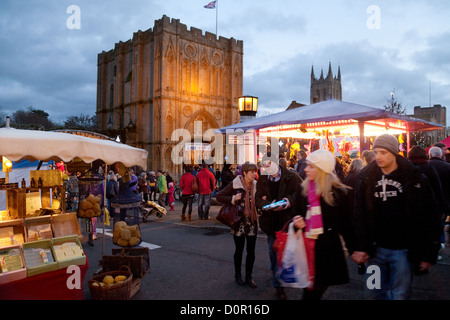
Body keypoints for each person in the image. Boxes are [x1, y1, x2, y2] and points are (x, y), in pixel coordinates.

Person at [352, 134, 442, 300]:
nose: (378, 157)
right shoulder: (366, 178)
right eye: (376, 152)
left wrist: (429, 251)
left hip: (403, 251)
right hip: (375, 252)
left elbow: (430, 215)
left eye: (384, 152)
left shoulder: (414, 178)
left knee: (400, 295)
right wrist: (360, 246)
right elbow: (359, 214)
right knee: (373, 294)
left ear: (394, 153)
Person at [292, 149, 355, 300]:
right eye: (306, 165)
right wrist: (296, 222)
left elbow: (346, 225)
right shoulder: (302, 189)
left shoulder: (339, 193)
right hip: (305, 250)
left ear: (322, 169)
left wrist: (355, 249)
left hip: (327, 253)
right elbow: (294, 216)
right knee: (309, 293)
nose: (305, 169)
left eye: (311, 166)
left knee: (314, 292)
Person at [255, 152, 302, 300]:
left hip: (286, 221)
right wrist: (268, 204)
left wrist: (287, 202)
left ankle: (279, 286)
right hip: (270, 222)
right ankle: (276, 271)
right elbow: (258, 198)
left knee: (282, 254)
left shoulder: (291, 176)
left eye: (269, 165)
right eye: (264, 166)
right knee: (272, 251)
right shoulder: (263, 179)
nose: (266, 168)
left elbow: (301, 192)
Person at [216, 162, 259, 288]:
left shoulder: (256, 185)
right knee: (239, 250)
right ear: (244, 173)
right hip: (238, 221)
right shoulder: (235, 184)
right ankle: (238, 275)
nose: (254, 174)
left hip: (252, 221)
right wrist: (233, 198)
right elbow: (219, 196)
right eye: (251, 172)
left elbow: (261, 199)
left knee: (251, 251)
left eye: (255, 171)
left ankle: (249, 276)